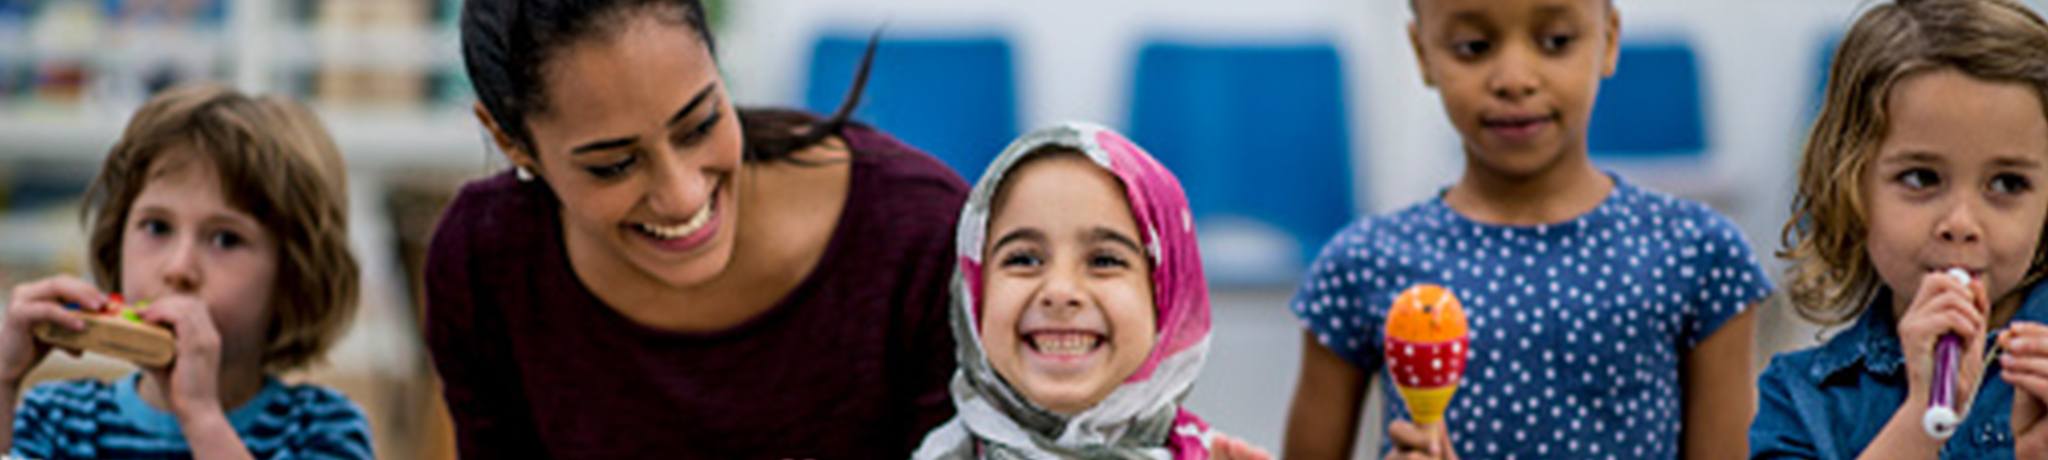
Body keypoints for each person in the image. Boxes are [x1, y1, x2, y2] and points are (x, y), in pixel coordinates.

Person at [429, 0, 965, 456]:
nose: (682, 194)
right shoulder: (486, 263)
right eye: (613, 164)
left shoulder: (923, 236)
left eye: (701, 124)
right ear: (511, 142)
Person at [1283, 0, 1773, 458]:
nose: (1515, 80)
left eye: (1556, 41)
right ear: (1422, 53)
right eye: (1473, 47)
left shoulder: (1700, 254)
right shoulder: (1362, 262)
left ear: (1609, 38)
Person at [1, 84, 371, 459]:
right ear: (117, 239)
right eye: (157, 227)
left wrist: (201, 418)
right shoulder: (59, 420)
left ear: (293, 277)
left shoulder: (322, 428)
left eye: (226, 239)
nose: (179, 269)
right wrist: (4, 379)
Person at [1750, 0, 2048, 457]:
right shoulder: (1798, 399)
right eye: (1921, 178)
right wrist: (1918, 424)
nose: (1961, 224)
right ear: (1849, 185)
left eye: (2008, 183)